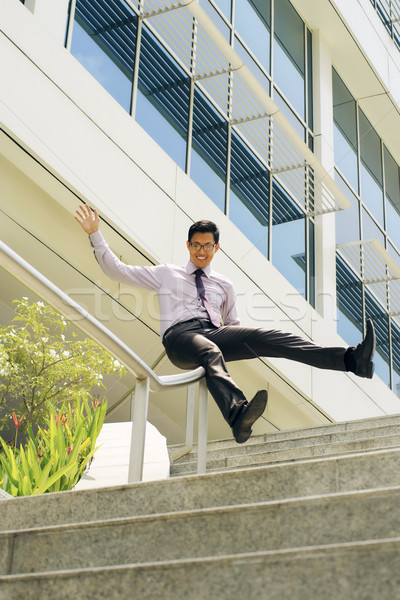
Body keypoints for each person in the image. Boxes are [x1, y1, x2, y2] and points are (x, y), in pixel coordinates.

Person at [75, 205, 376, 444]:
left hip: (215, 333)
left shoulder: (224, 284)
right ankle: (238, 416)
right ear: (188, 245)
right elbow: (117, 270)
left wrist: (247, 341)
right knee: (208, 350)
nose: (201, 251)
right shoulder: (167, 273)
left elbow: (233, 325)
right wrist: (95, 234)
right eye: (196, 245)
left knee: (268, 337)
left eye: (207, 246)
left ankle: (351, 360)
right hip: (180, 338)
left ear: (216, 248)